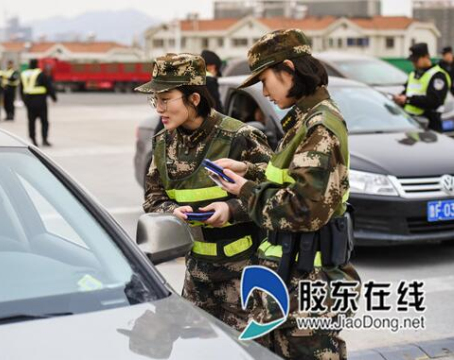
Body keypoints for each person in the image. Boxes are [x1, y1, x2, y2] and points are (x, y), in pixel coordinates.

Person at [216, 29, 361, 359]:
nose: (264, 91)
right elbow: (294, 179)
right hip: (289, 278)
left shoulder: (320, 125)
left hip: (309, 286)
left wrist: (246, 191)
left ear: (288, 69)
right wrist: (248, 171)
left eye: (265, 80)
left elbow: (304, 209)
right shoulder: (304, 119)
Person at [134, 53, 272, 332]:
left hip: (245, 273)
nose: (159, 108)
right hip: (196, 275)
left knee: (245, 350)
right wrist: (171, 211)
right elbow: (153, 199)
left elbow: (275, 193)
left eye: (165, 99)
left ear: (194, 99)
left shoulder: (240, 137)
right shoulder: (162, 144)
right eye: (155, 100)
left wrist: (231, 210)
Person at [393, 43, 451, 132]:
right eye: (412, 61)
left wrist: (408, 100)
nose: (413, 63)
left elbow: (434, 101)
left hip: (430, 123)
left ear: (426, 57)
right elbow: (407, 92)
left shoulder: (438, 75)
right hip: (411, 122)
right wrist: (399, 98)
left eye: (416, 60)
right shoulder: (413, 74)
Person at [20, 59, 57, 146]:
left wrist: (24, 100)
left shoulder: (24, 74)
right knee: (44, 121)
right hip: (40, 101)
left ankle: (33, 140)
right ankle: (44, 139)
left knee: (31, 121)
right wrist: (54, 97)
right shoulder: (40, 73)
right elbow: (48, 86)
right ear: (37, 64)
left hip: (29, 101)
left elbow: (21, 89)